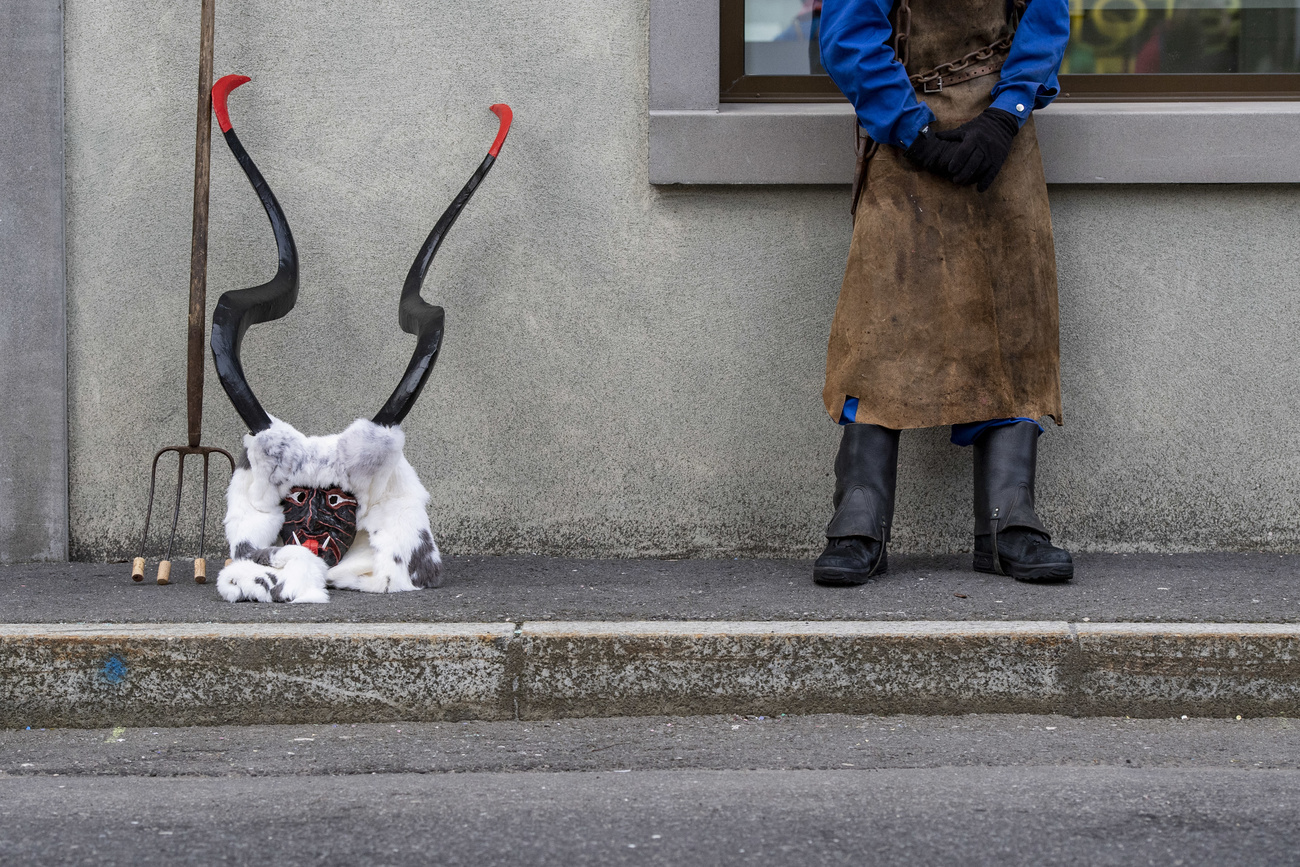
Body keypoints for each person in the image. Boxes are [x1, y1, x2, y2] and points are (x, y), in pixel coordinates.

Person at [813, 0, 1074, 586]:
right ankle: (860, 518)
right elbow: (850, 34)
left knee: (1016, 321)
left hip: (1002, 140)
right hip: (903, 130)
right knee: (881, 327)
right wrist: (915, 133)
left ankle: (1010, 522)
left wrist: (1007, 113)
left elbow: (1046, 15)